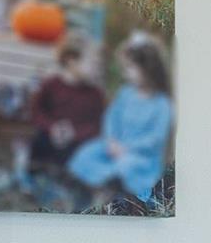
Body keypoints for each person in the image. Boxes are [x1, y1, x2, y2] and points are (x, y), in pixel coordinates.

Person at [68, 33, 174, 211]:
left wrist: (128, 148)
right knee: (87, 153)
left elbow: (155, 138)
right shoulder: (126, 93)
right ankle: (87, 193)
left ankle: (122, 199)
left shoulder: (161, 104)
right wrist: (111, 141)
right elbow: (112, 118)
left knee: (126, 166)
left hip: (141, 155)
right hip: (115, 147)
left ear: (147, 68)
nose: (126, 73)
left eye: (130, 68)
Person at [20, 39, 107, 192]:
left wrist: (74, 133)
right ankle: (32, 185)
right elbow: (36, 112)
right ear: (71, 61)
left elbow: (98, 125)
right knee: (39, 143)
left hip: (78, 147)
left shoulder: (96, 94)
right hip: (49, 139)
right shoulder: (51, 85)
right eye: (93, 63)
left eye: (99, 65)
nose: (97, 69)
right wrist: (52, 127)